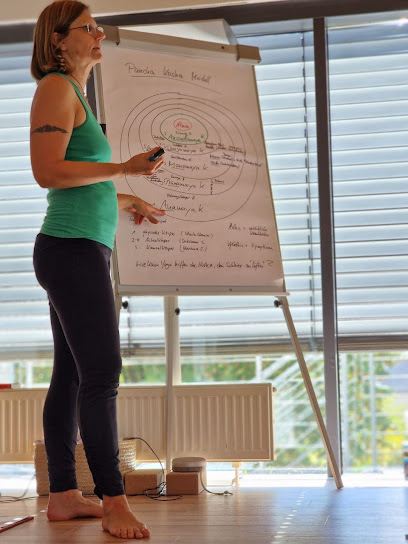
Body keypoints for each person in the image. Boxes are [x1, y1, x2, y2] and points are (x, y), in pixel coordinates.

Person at [30, 1, 165, 539]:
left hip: (81, 249)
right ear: (58, 40)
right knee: (103, 374)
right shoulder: (55, 87)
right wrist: (123, 168)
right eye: (89, 27)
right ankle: (114, 501)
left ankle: (64, 496)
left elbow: (82, 180)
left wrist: (127, 197)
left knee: (71, 375)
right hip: (70, 251)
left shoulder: (75, 93)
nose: (100, 34)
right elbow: (48, 172)